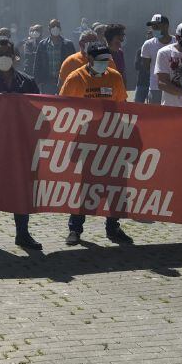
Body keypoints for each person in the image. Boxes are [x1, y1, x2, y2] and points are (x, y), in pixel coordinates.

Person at [58, 42, 133, 246]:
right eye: (100, 61)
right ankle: (75, 229)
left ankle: (113, 226)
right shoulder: (75, 78)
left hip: (110, 139)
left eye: (107, 60)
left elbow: (122, 105)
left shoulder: (114, 77)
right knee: (84, 186)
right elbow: (63, 107)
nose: (105, 64)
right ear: (89, 60)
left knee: (115, 185)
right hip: (84, 142)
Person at [0, 39, 42, 252]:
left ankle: (22, 235)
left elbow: (39, 111)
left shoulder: (27, 82)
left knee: (21, 189)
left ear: (14, 56)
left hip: (21, 145)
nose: (3, 57)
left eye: (7, 53)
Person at [33, 19, 77, 94]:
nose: (55, 28)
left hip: (64, 81)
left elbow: (74, 63)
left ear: (60, 28)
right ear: (49, 28)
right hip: (47, 82)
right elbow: (37, 64)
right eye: (53, 26)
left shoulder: (68, 45)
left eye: (57, 26)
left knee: (63, 103)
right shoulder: (43, 44)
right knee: (48, 103)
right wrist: (38, 81)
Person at [139, 14, 173, 105]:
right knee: (155, 117)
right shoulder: (148, 45)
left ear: (166, 26)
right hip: (155, 88)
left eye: (157, 26)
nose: (154, 29)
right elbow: (146, 66)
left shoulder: (177, 42)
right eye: (153, 26)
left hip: (175, 87)